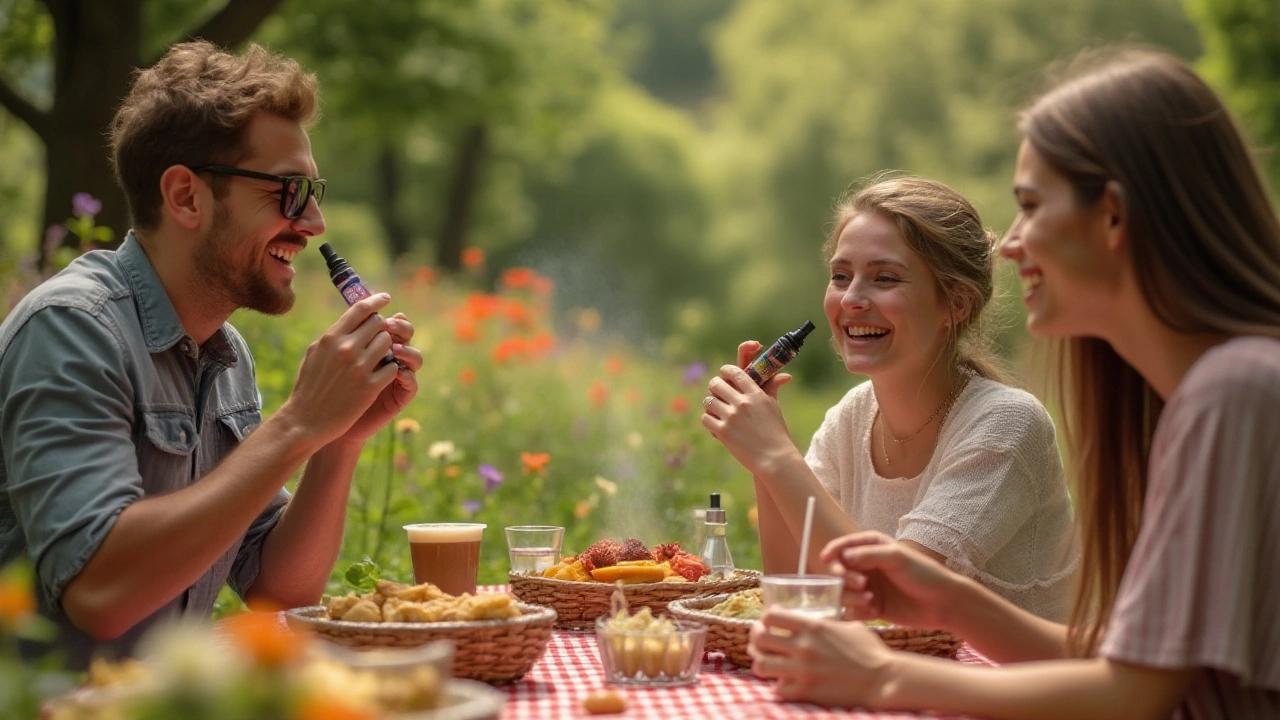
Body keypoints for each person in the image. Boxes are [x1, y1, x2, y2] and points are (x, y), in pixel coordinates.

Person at [748, 49, 1280, 719]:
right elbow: (1120, 661)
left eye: (1030, 207)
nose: (1010, 243)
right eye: (842, 273)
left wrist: (883, 679)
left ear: (1113, 217)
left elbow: (1136, 697)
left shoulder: (1233, 393)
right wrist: (947, 599)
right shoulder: (1209, 393)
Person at [0, 41, 423, 669]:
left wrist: (337, 440)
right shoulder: (72, 329)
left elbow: (275, 588)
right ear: (186, 197)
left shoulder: (224, 355)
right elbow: (99, 591)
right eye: (288, 191)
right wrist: (295, 424)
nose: (314, 221)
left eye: (314, 190)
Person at [701, 175, 1078, 619]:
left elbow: (896, 599)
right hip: (898, 675)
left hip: (1007, 685)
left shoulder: (1007, 425)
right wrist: (761, 460)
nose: (853, 299)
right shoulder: (851, 417)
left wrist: (777, 457)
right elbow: (796, 583)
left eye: (884, 278)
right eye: (841, 276)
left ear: (955, 304)